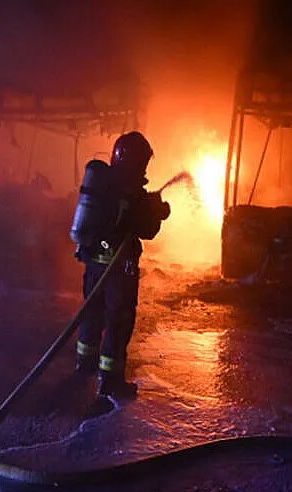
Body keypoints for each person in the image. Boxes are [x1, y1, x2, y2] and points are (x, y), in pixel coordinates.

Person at [74, 131, 170, 401]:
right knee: (119, 322)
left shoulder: (105, 186)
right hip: (119, 272)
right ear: (133, 161)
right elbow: (145, 229)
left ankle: (84, 365)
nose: (144, 168)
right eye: (142, 162)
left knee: (92, 316)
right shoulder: (130, 193)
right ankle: (111, 381)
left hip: (95, 267)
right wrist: (159, 213)